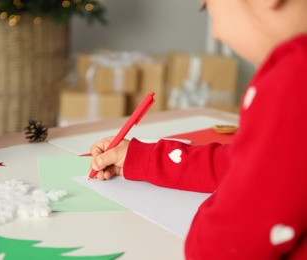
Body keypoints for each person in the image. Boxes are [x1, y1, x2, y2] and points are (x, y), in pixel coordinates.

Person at [89, 0, 307, 259]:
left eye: (207, 7)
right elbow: (246, 165)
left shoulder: (294, 77)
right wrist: (143, 159)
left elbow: (226, 245)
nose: (215, 33)